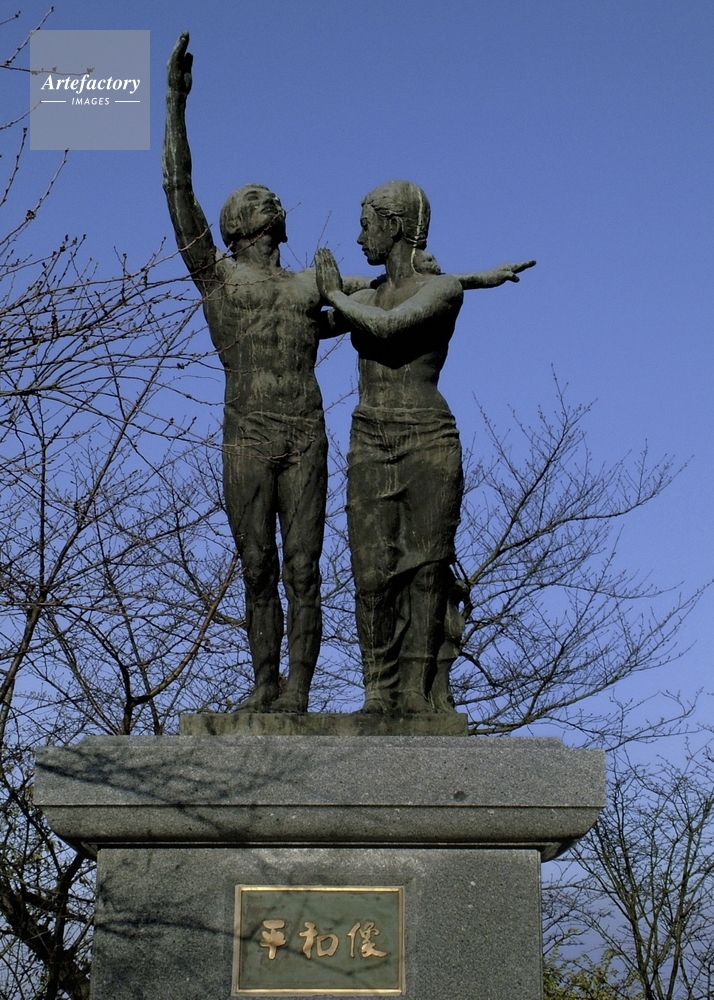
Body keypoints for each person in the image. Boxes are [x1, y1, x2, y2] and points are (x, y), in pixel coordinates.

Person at [162, 33, 367, 713]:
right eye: (257, 197)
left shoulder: (312, 284)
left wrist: (428, 273)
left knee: (304, 566)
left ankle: (297, 689)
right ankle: (263, 682)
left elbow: (390, 296)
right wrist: (174, 105)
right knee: (256, 567)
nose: (271, 198)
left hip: (305, 430)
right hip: (247, 433)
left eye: (270, 195)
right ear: (235, 224)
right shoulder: (218, 277)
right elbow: (177, 191)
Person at [316, 181, 534, 715]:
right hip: (370, 437)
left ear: (393, 226)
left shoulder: (441, 290)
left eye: (366, 225)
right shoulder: (366, 294)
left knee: (425, 568)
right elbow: (311, 320)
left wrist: (333, 295)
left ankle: (415, 689)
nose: (359, 237)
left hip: (429, 439)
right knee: (370, 572)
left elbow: (390, 328)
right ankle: (377, 689)